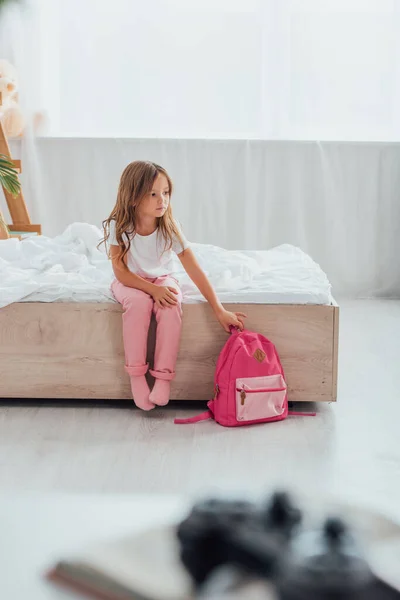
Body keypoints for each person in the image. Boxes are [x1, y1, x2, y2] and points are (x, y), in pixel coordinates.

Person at [101, 161, 246, 411]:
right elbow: (121, 272)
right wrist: (152, 290)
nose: (162, 200)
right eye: (153, 193)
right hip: (130, 281)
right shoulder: (121, 227)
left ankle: (163, 378)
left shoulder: (169, 227)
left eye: (166, 193)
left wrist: (219, 309)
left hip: (163, 278)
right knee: (138, 303)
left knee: (171, 304)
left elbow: (194, 269)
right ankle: (137, 377)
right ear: (134, 197)